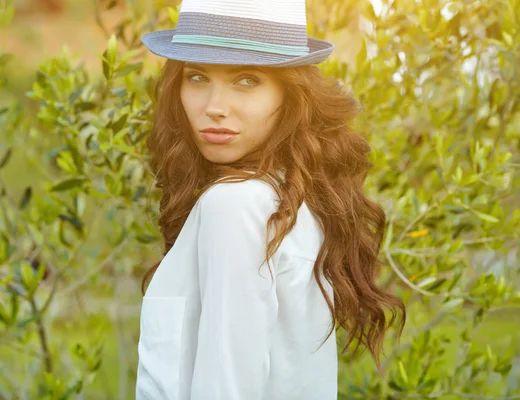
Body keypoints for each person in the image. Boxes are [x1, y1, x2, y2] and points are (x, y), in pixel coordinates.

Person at [135, 0, 406, 399]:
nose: (214, 107)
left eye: (246, 80)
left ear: (291, 96)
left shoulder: (235, 206)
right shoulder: (286, 200)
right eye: (196, 77)